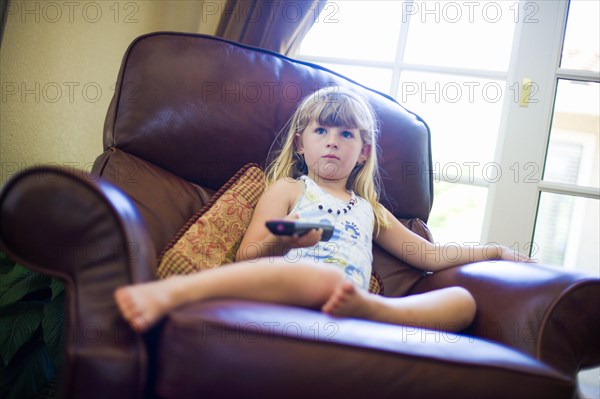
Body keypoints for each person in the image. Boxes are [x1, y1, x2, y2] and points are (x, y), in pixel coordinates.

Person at [115, 86, 530, 333]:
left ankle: (372, 309)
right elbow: (248, 256)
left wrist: (491, 251)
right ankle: (170, 292)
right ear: (300, 143)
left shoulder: (370, 209)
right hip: (293, 291)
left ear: (363, 152)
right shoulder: (290, 189)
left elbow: (428, 256)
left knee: (462, 301)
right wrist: (280, 240)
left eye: (346, 132)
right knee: (307, 274)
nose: (333, 140)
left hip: (352, 306)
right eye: (321, 130)